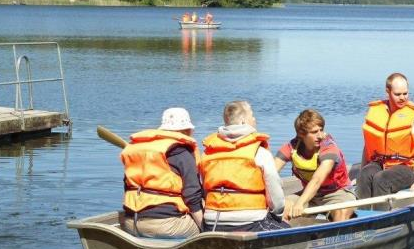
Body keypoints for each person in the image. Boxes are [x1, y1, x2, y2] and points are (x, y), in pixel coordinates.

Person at [200, 101, 288, 232]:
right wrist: (278, 214)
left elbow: (203, 186)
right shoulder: (259, 151)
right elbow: (273, 186)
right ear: (243, 121)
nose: (255, 119)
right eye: (252, 116)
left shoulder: (208, 152)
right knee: (289, 230)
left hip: (212, 222)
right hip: (250, 222)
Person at [119, 107, 203, 238]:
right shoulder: (182, 152)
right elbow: (192, 196)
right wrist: (206, 230)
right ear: (187, 130)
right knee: (202, 231)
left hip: (131, 223)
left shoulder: (138, 151)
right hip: (166, 225)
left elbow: (127, 187)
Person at [357, 72, 414, 200]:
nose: (402, 98)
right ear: (388, 91)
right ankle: (361, 215)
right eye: (397, 94)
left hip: (406, 168)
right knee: (365, 174)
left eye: (405, 93)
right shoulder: (377, 113)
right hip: (380, 164)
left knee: (381, 179)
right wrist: (360, 172)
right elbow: (367, 147)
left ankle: (380, 217)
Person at [274, 109, 356, 222]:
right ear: (301, 134)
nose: (320, 136)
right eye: (314, 132)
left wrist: (300, 203)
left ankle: (336, 236)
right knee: (284, 206)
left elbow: (317, 180)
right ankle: (286, 236)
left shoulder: (329, 148)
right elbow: (271, 172)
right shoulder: (291, 148)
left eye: (321, 130)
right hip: (311, 195)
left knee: (341, 212)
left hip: (338, 193)